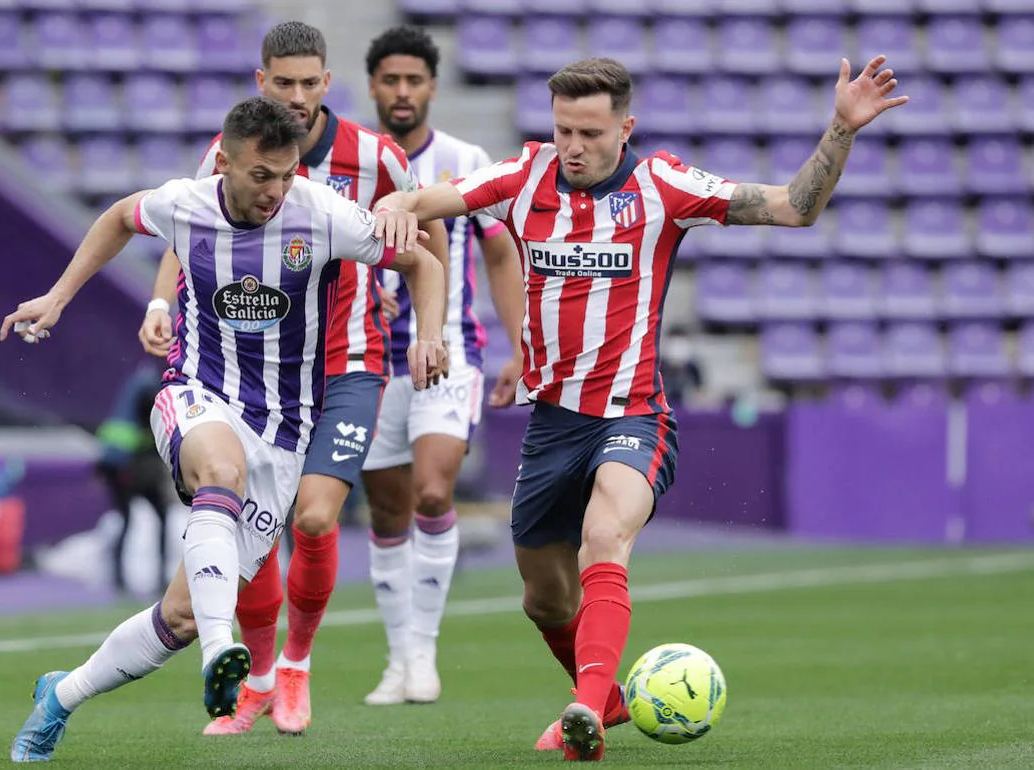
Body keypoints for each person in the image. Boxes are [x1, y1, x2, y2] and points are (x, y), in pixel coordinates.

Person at [373, 55, 907, 761]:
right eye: (564, 129)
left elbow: (793, 208)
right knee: (543, 599)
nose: (573, 146)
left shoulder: (662, 186)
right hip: (553, 422)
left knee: (604, 536)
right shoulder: (523, 175)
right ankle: (608, 701)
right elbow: (421, 201)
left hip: (634, 415)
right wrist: (392, 209)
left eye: (590, 132)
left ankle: (585, 707)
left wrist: (841, 128)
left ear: (626, 128)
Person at [1, 96, 446, 763]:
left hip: (285, 433)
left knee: (178, 615)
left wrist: (430, 335)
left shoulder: (322, 214)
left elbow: (425, 263)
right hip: (196, 395)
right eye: (261, 175)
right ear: (227, 164)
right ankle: (224, 654)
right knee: (220, 471)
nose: (276, 190)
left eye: (287, 174)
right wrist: (58, 296)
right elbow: (119, 217)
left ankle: (60, 697)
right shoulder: (185, 202)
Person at [138, 22, 452, 736]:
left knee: (312, 516)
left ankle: (297, 665)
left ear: (327, 83)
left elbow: (427, 236)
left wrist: (422, 317)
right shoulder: (228, 155)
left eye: (311, 83)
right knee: (255, 521)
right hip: (253, 366)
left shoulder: (376, 157)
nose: (299, 97)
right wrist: (162, 303)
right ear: (262, 82)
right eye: (285, 83)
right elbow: (186, 234)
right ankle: (254, 676)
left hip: (346, 361)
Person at [359, 25, 524, 707]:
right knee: (387, 509)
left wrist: (520, 344)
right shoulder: (351, 160)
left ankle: (423, 654)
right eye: (390, 80)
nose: (402, 92)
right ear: (373, 85)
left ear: (431, 85)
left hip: (449, 350)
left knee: (432, 491)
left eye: (414, 80)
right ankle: (399, 659)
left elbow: (500, 251)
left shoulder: (463, 157)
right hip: (365, 361)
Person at [95, 360, 172, 594]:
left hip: (119, 464)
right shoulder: (151, 385)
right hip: (132, 466)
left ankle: (120, 578)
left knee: (128, 520)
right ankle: (152, 578)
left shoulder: (137, 380)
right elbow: (152, 416)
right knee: (153, 518)